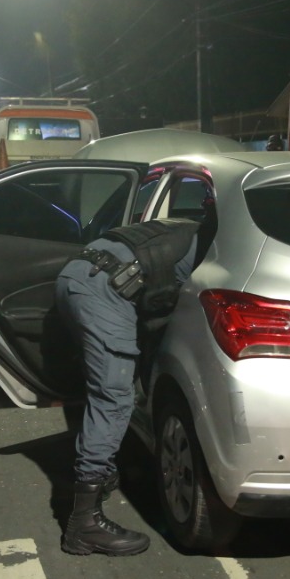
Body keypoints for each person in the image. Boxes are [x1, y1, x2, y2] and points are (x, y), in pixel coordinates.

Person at [54, 217, 202, 556]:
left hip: (76, 275)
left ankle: (99, 473)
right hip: (104, 292)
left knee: (105, 389)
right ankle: (83, 525)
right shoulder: (213, 248)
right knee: (113, 399)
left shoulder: (183, 228)